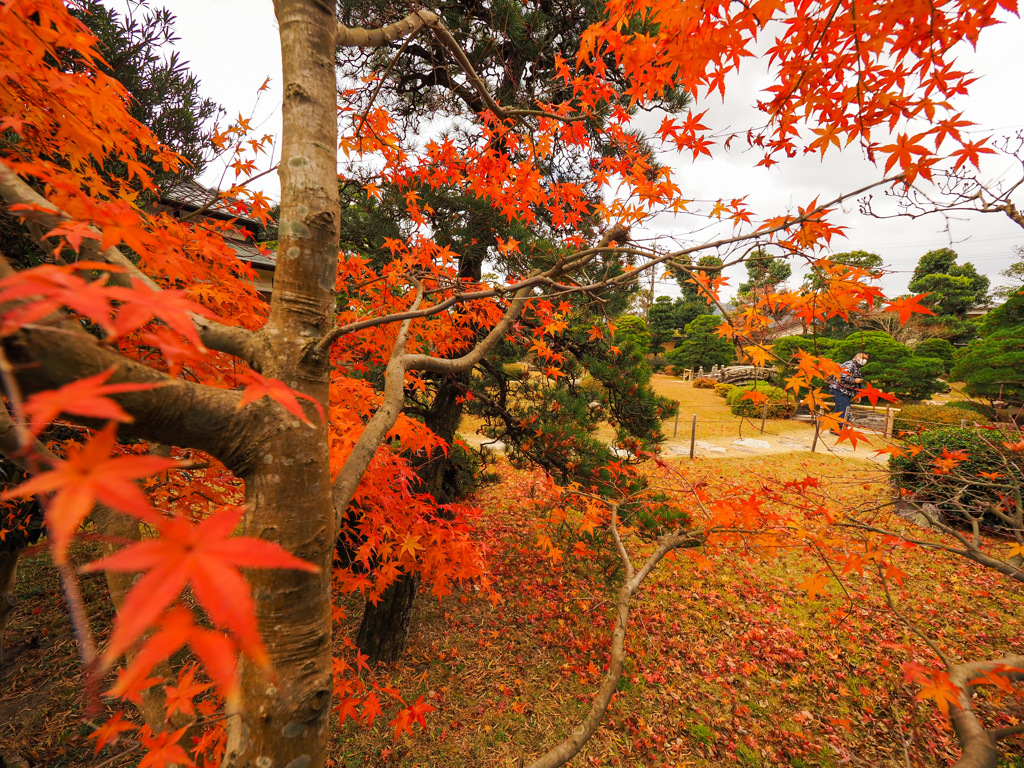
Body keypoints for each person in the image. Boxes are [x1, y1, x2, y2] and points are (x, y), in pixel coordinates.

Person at [827, 352, 868, 427]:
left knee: (843, 411)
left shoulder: (856, 367)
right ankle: (839, 430)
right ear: (856, 357)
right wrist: (854, 380)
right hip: (840, 390)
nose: (864, 360)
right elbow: (842, 375)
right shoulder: (850, 364)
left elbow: (857, 384)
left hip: (845, 392)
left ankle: (837, 429)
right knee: (843, 412)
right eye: (863, 358)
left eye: (866, 359)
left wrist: (858, 394)